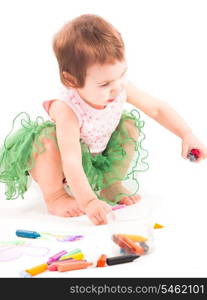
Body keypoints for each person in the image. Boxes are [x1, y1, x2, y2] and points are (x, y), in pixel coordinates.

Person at [0, 14, 207, 225]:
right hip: (60, 162)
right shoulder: (66, 108)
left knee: (129, 124)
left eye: (121, 75)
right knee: (46, 140)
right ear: (71, 80)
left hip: (95, 155)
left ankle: (110, 183)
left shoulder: (119, 87)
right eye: (104, 84)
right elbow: (71, 160)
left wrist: (186, 134)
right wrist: (89, 201)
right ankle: (55, 196)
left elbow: (157, 109)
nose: (116, 88)